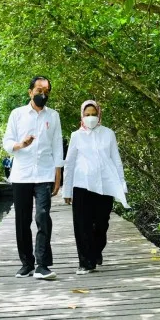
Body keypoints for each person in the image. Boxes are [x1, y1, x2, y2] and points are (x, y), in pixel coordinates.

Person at [2, 76, 63, 280]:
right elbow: (7, 142)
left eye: (46, 91)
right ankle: (26, 264)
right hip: (22, 174)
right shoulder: (17, 114)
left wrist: (58, 176)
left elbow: (57, 146)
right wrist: (21, 145)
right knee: (23, 220)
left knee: (43, 217)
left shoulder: (53, 116)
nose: (42, 94)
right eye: (38, 90)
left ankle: (42, 265)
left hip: (45, 174)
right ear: (30, 92)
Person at [63, 100, 129, 275]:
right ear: (82, 116)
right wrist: (67, 190)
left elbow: (116, 160)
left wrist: (121, 183)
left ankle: (96, 250)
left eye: (93, 114)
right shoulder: (76, 136)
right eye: (87, 114)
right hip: (82, 184)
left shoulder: (108, 134)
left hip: (105, 185)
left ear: (99, 115)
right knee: (82, 224)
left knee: (101, 224)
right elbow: (69, 164)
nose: (90, 117)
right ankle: (85, 262)